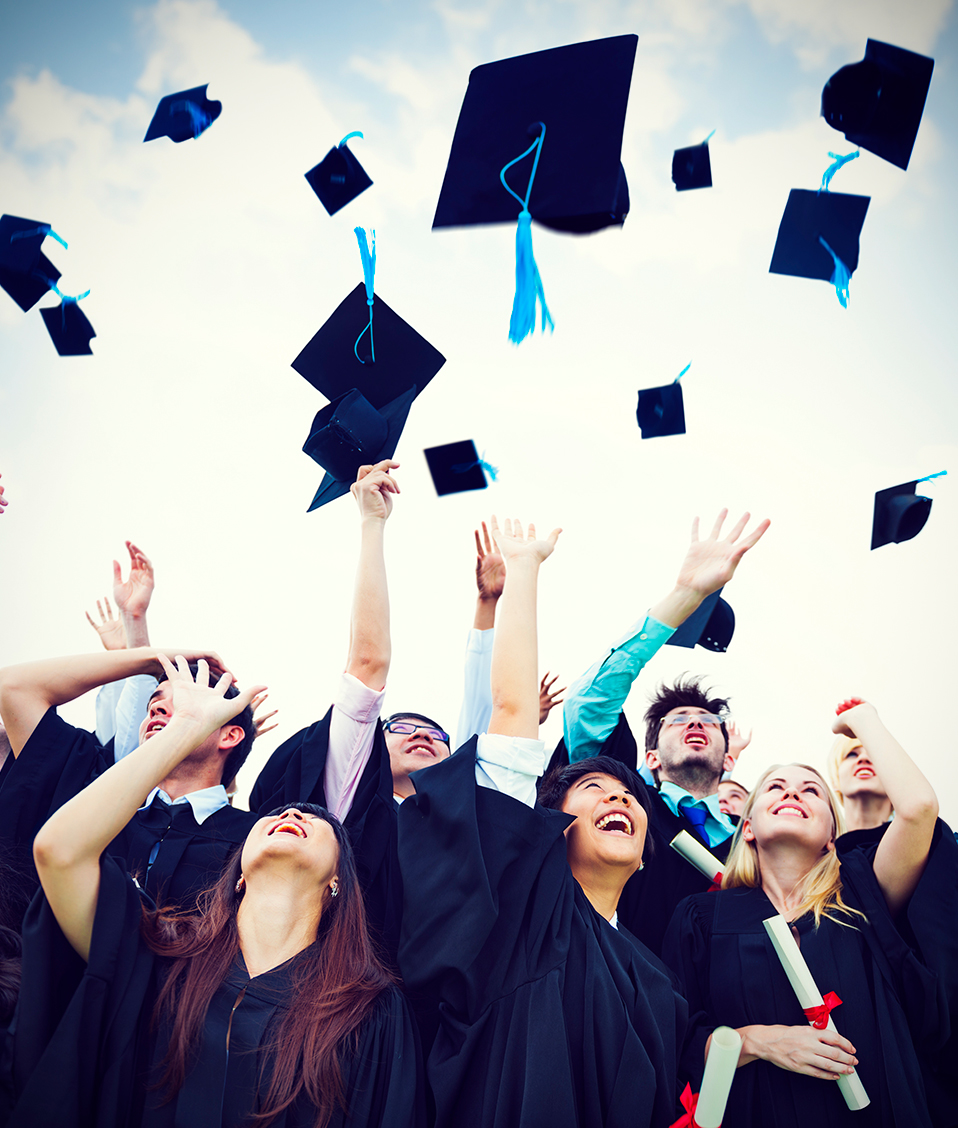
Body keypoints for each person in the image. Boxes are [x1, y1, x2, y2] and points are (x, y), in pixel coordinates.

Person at [7, 656, 423, 1128]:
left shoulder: (370, 1012)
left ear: (339, 880)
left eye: (316, 818)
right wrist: (184, 725)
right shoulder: (162, 957)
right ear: (237, 872)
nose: (293, 816)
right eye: (276, 817)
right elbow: (60, 851)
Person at [397, 517, 689, 1128]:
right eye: (592, 787)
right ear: (544, 828)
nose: (621, 800)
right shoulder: (515, 913)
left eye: (631, 796)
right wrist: (524, 571)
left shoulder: (659, 983)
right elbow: (508, 720)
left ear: (644, 854)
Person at [663, 698, 954, 1127]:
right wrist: (759, 1041)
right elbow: (676, 1041)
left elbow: (918, 810)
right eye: (775, 788)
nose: (793, 792)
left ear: (831, 835)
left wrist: (862, 720)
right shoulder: (701, 917)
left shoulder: (863, 897)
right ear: (748, 826)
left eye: (811, 789)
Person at [560, 511, 769, 955]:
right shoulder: (631, 805)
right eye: (679, 721)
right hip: (626, 1000)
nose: (696, 723)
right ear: (651, 757)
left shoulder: (751, 841)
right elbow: (588, 703)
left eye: (709, 722)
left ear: (727, 754)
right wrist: (686, 595)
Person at [455, 521, 564, 747]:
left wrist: (524, 717)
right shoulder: (458, 770)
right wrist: (524, 714)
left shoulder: (466, 765)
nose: (422, 736)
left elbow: (483, 696)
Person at [827, 733, 892, 831]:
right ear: (835, 781)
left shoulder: (918, 842)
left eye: (875, 754)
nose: (863, 758)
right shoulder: (821, 845)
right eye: (852, 754)